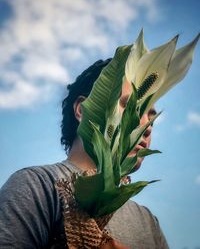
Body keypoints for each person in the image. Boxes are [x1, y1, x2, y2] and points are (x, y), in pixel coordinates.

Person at [0, 59, 169, 249]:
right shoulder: (37, 186)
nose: (146, 126)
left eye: (151, 120)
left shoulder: (147, 222)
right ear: (83, 110)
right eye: (130, 108)